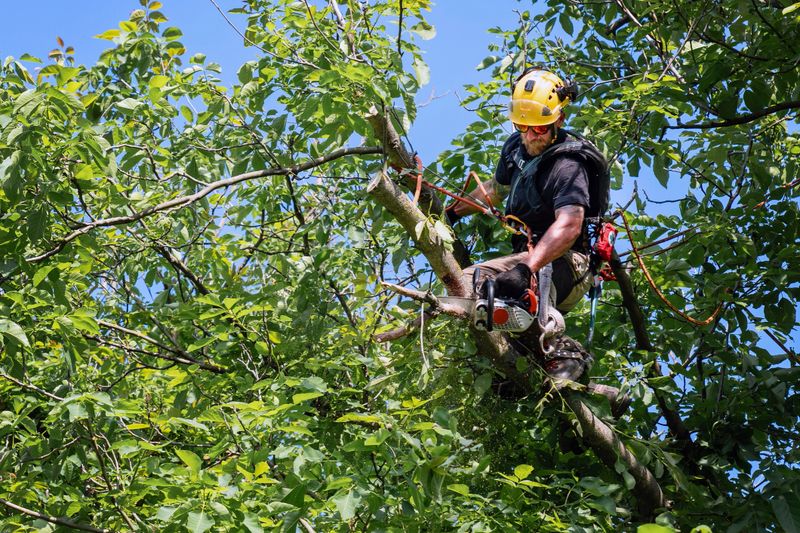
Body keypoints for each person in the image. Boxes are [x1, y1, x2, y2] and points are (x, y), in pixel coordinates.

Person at [446, 68, 610, 388]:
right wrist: (452, 213)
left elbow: (569, 225)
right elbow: (495, 188)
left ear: (558, 121)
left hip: (567, 263)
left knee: (469, 283)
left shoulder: (568, 166)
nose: (530, 135)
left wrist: (526, 268)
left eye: (539, 127)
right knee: (487, 298)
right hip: (530, 258)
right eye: (523, 126)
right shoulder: (515, 148)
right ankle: (528, 362)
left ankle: (561, 348)